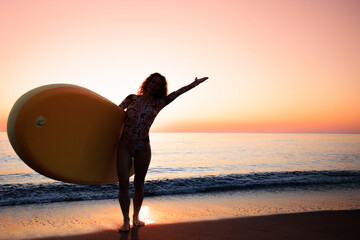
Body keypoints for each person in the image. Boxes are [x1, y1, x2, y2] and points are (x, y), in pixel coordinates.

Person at [117, 73, 208, 231]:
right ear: (147, 82)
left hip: (142, 147)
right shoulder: (131, 99)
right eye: (153, 82)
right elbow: (115, 113)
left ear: (161, 88)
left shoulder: (159, 103)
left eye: (158, 84)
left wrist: (194, 84)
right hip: (125, 144)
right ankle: (125, 221)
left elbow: (177, 93)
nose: (155, 86)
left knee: (139, 183)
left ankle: (136, 218)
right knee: (123, 183)